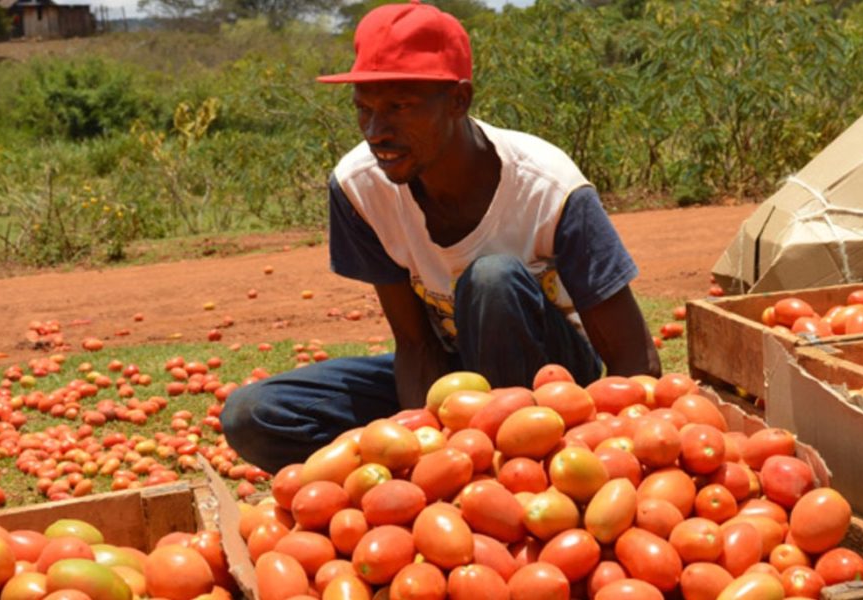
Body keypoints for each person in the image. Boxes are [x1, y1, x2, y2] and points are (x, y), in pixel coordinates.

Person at [221, 0, 660, 473]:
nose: (376, 132)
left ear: (459, 99)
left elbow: (635, 359)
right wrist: (423, 453)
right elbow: (415, 343)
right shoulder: (359, 187)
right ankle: (422, 482)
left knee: (493, 279)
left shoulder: (550, 189)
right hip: (451, 373)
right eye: (363, 109)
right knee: (255, 415)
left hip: (552, 385)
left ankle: (513, 470)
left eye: (399, 107)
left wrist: (615, 454)